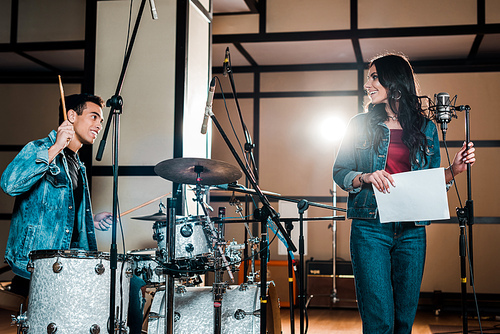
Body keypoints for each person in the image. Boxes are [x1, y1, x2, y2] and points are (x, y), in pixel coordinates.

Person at [332, 53, 476, 333]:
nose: (368, 84)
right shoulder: (358, 124)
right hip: (370, 228)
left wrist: (453, 171)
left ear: (395, 82)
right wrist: (365, 176)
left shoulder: (426, 128)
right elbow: (340, 171)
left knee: (403, 320)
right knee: (379, 320)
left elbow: (431, 181)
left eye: (374, 77)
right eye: (368, 77)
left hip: (412, 231)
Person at [1, 94, 113, 296]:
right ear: (71, 116)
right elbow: (10, 185)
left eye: (101, 121)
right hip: (37, 264)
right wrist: (56, 147)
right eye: (94, 117)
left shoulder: (78, 165)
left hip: (68, 263)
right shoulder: (39, 148)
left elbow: (61, 209)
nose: (99, 125)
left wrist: (90, 219)